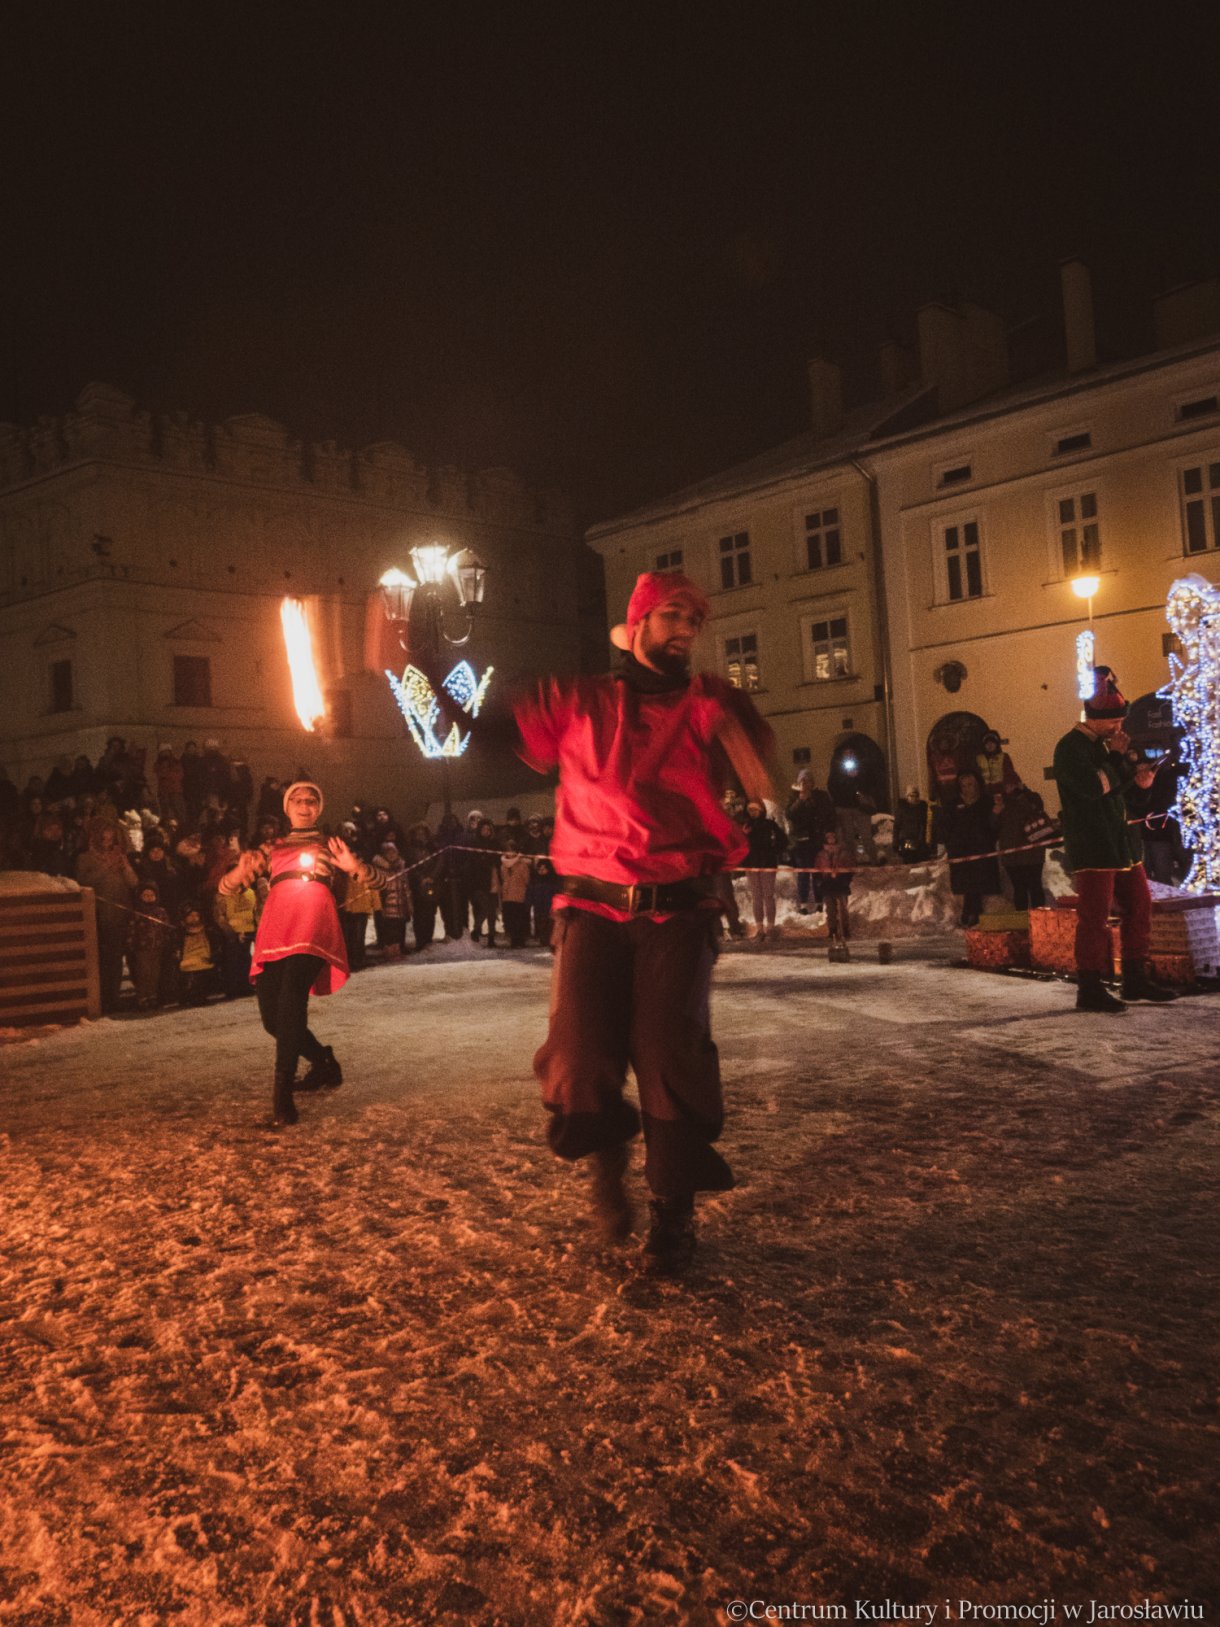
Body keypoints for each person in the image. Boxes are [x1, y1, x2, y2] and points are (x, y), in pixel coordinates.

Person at [513, 570, 773, 1275]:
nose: (687, 627)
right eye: (671, 614)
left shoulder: (711, 702)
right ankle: (607, 1164)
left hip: (679, 907)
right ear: (637, 623)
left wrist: (741, 738)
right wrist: (419, 670)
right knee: (577, 1058)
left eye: (694, 617)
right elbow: (488, 727)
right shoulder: (583, 699)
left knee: (668, 1055)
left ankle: (672, 1211)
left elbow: (762, 770)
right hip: (590, 904)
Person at [217, 781, 377, 1127]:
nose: (304, 806)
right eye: (298, 801)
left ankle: (282, 1096)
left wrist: (356, 866)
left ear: (319, 808)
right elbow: (225, 889)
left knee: (291, 999)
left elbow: (377, 881)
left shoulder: (330, 844)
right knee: (273, 1020)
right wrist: (239, 871)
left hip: (314, 925)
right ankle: (323, 1061)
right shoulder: (270, 848)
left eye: (311, 801)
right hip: (276, 929)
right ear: (287, 808)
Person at [1053, 668, 1177, 1013]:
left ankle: (1135, 977)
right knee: (1094, 917)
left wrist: (1142, 787)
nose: (1119, 730)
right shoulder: (1070, 749)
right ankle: (1089, 986)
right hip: (1094, 846)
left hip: (1122, 843)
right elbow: (1094, 788)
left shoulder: (1109, 748)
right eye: (1114, 723)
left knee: (1140, 905)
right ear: (1096, 719)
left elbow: (1121, 798)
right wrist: (1117, 759)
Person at [937, 770, 1000, 928]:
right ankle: (970, 912)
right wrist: (949, 842)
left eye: (970, 785)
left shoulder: (986, 802)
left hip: (981, 848)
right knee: (966, 881)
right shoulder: (953, 804)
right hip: (961, 850)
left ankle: (972, 912)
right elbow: (945, 826)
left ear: (978, 785)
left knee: (978, 880)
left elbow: (993, 825)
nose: (967, 789)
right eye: (963, 785)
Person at [997, 787, 1057, 911]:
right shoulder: (1000, 801)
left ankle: (1037, 920)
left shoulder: (1030, 797)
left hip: (1029, 853)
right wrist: (995, 812)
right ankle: (1028, 920)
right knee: (1021, 888)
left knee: (1033, 887)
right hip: (1015, 854)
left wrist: (1021, 796)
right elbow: (994, 825)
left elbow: (1037, 808)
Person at [785, 769, 835, 913]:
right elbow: (790, 814)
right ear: (799, 783)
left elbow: (829, 815)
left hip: (817, 840)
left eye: (809, 781)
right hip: (800, 842)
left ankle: (820, 902)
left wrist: (829, 832)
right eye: (803, 781)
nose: (806, 784)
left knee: (818, 872)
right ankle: (804, 904)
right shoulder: (793, 797)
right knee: (803, 873)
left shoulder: (821, 796)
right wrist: (800, 800)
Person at [741, 798, 787, 939]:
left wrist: (773, 850)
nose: (752, 813)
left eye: (755, 810)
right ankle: (760, 928)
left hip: (767, 863)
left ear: (761, 810)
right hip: (751, 864)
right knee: (756, 897)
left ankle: (771, 927)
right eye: (750, 810)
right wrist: (744, 835)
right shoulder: (745, 826)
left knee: (768, 896)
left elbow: (783, 841)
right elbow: (740, 845)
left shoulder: (770, 824)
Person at [814, 828, 854, 959]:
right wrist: (820, 880)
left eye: (833, 837)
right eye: (828, 837)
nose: (831, 840)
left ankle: (845, 929)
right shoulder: (821, 854)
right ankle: (832, 930)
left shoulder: (843, 853)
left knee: (843, 908)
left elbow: (849, 868)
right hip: (827, 885)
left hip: (841, 883)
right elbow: (817, 870)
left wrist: (845, 880)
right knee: (830, 908)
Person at [892, 784, 933, 864]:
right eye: (911, 796)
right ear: (907, 796)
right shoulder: (902, 809)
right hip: (907, 841)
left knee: (921, 863)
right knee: (910, 859)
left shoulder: (922, 808)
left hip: (920, 841)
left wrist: (926, 841)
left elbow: (925, 825)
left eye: (916, 795)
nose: (914, 798)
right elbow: (896, 827)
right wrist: (895, 843)